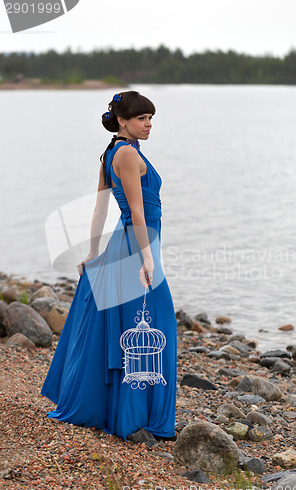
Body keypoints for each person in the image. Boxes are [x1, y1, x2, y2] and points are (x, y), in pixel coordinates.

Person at [40, 91, 178, 442]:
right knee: (155, 321)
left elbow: (100, 208)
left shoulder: (110, 153)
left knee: (128, 323)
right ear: (122, 121)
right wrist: (147, 258)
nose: (148, 125)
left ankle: (124, 411)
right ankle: (136, 416)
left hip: (127, 241)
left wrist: (92, 250)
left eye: (151, 118)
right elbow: (135, 211)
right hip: (135, 244)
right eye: (141, 118)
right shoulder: (128, 153)